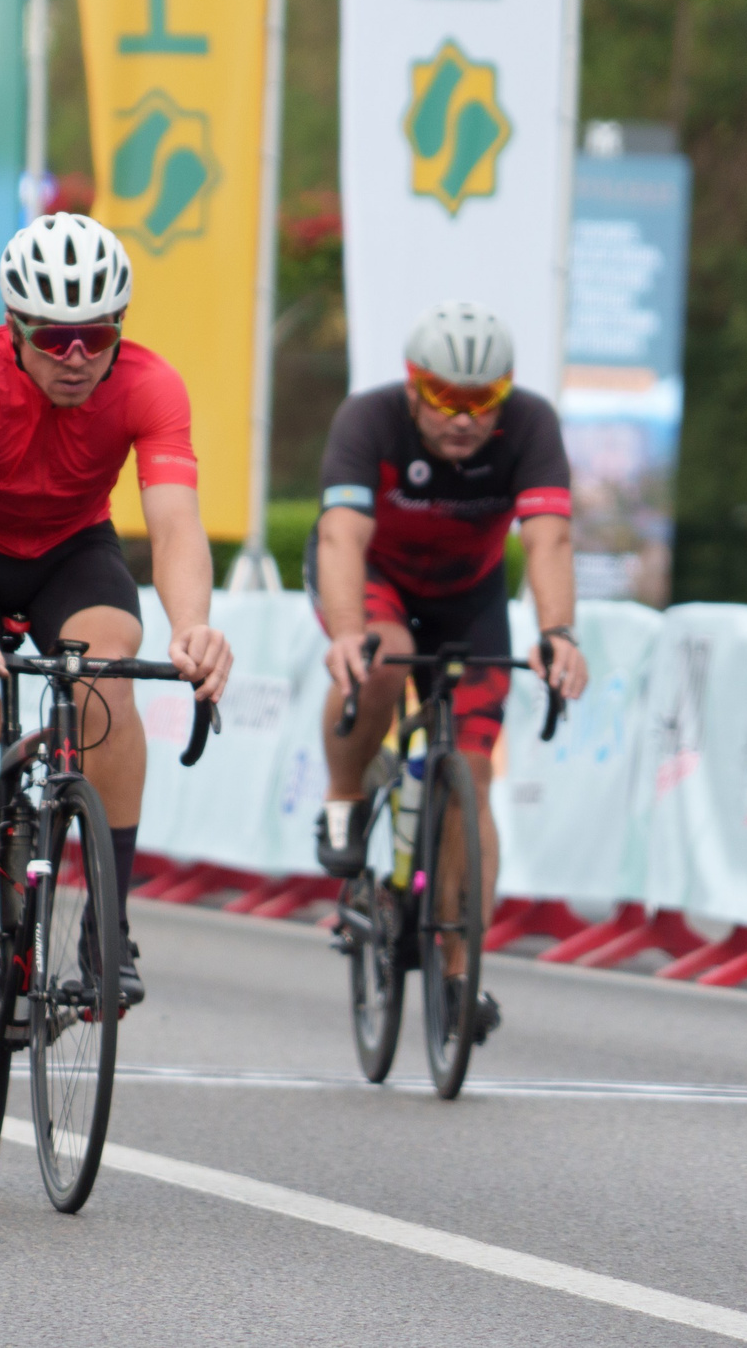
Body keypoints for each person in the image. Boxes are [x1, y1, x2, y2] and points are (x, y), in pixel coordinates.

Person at [0, 212, 232, 1069]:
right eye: (53, 338)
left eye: (97, 336)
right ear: (15, 328)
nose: (76, 357)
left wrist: (193, 625)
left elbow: (176, 526)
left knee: (108, 679)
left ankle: (107, 924)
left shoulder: (151, 385)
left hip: (72, 555)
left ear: (120, 328)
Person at [308, 301, 590, 1043]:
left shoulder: (531, 425)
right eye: (444, 397)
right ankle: (344, 795)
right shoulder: (368, 421)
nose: (464, 418)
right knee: (383, 657)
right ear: (413, 385)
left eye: (483, 400)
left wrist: (558, 633)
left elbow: (550, 540)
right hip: (375, 580)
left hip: (468, 596)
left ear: (506, 393)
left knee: (475, 774)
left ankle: (460, 974)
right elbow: (340, 538)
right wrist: (347, 634)